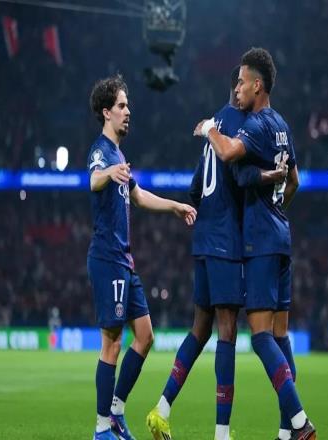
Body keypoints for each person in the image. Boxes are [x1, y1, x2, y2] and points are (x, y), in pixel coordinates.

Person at [147, 66, 288, 440]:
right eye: (240, 85)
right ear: (237, 90)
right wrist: (268, 179)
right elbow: (242, 177)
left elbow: (196, 187)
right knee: (227, 332)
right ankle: (222, 434)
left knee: (199, 329)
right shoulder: (240, 126)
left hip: (204, 239)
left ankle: (161, 408)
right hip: (227, 241)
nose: (243, 91)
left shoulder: (214, 125)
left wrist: (206, 213)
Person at [194, 47, 316, 440]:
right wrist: (277, 207)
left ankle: (300, 422)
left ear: (258, 85)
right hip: (282, 238)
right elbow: (294, 180)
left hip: (261, 243)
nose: (237, 89)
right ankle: (285, 433)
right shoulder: (282, 124)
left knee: (261, 337)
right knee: (281, 337)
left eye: (242, 83)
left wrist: (209, 128)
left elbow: (228, 151)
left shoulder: (258, 124)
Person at [87, 74, 196, 440]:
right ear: (107, 112)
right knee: (112, 342)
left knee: (145, 336)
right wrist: (108, 172)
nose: (128, 111)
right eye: (121, 105)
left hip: (125, 261)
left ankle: (116, 411)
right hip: (107, 259)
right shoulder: (102, 151)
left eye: (127, 105)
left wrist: (175, 206)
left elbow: (138, 195)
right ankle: (102, 428)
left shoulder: (119, 155)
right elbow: (93, 180)